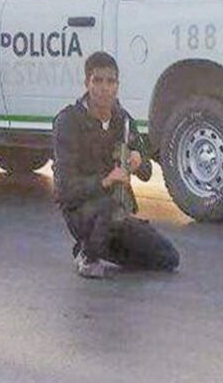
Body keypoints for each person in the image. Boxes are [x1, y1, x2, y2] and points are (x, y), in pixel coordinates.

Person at [52, 51, 180, 278]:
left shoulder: (124, 120)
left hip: (119, 213)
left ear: (117, 85)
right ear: (87, 83)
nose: (104, 88)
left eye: (110, 82)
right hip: (83, 211)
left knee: (167, 257)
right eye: (97, 81)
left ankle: (94, 247)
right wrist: (105, 181)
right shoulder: (68, 122)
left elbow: (147, 171)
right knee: (109, 209)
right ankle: (89, 255)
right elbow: (65, 191)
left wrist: (138, 161)